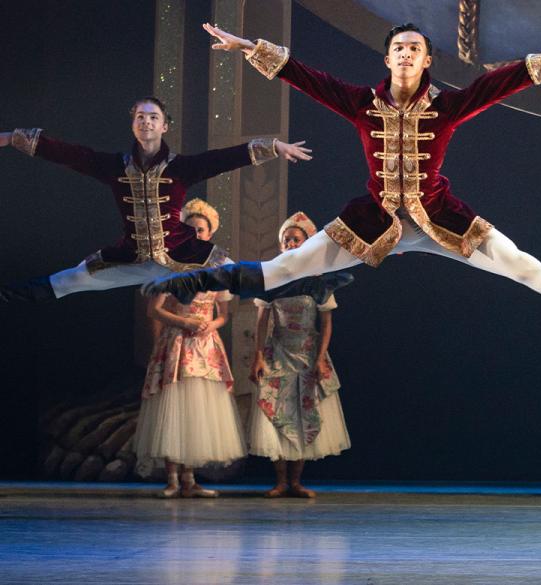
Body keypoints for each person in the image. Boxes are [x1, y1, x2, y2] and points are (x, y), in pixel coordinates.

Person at [143, 23, 541, 318]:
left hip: (441, 219)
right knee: (289, 267)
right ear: (388, 60)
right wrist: (247, 48)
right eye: (399, 48)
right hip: (373, 221)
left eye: (415, 48)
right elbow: (305, 76)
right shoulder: (362, 103)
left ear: (426, 62)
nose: (406, 54)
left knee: (522, 266)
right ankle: (198, 280)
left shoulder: (447, 106)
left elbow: (505, 81)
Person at [0, 97, 320, 303]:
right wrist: (13, 137)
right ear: (133, 125)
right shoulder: (113, 166)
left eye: (153, 117)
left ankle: (306, 286)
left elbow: (224, 158)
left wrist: (275, 146)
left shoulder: (181, 167)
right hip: (134, 258)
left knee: (240, 276)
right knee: (70, 279)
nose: (147, 121)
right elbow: (69, 154)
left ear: (164, 126)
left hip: (185, 255)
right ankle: (9, 295)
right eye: (140, 116)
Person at [131, 199, 245, 498]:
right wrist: (183, 322)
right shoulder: (171, 265)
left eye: (201, 230)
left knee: (197, 411)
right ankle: (171, 479)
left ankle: (191, 479)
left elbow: (223, 314)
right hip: (178, 343)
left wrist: (212, 324)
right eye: (191, 229)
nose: (197, 234)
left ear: (210, 233)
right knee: (175, 407)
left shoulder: (220, 265)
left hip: (205, 347)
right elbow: (154, 310)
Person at [248, 212, 353, 498]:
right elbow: (261, 321)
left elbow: (326, 322)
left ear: (307, 243)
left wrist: (320, 358)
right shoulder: (271, 279)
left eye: (296, 239)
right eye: (286, 240)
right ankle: (281, 481)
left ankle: (296, 482)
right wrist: (258, 355)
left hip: (308, 353)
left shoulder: (319, 281)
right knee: (279, 414)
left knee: (305, 413)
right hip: (278, 352)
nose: (291, 243)